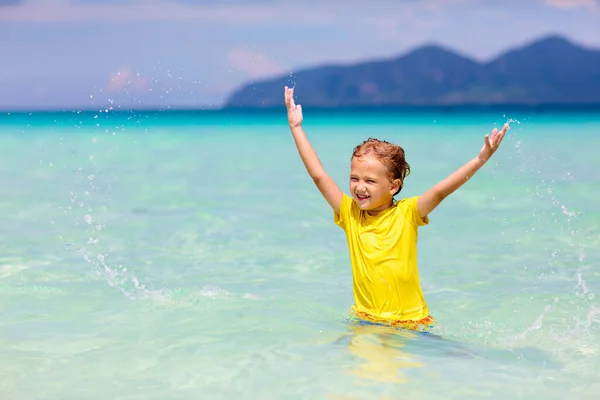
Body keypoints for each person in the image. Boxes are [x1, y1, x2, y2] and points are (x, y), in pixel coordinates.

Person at [284, 86, 508, 332]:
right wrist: (296, 128)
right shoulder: (350, 214)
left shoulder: (408, 213)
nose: (360, 187)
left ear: (393, 186)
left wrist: (479, 160)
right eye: (354, 178)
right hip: (365, 320)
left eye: (370, 181)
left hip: (411, 323)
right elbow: (318, 175)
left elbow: (440, 191)